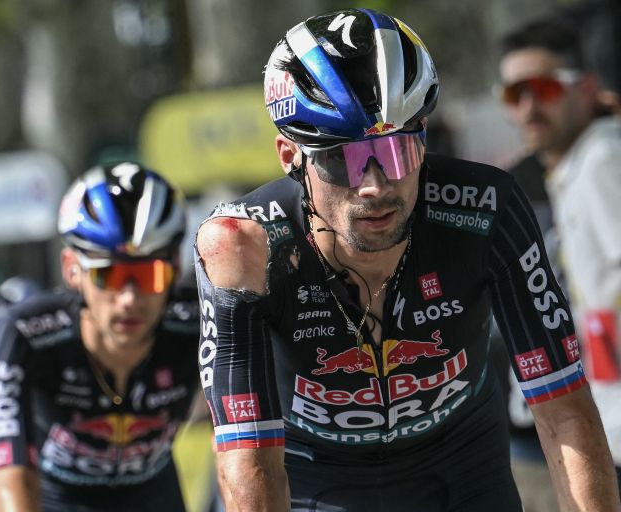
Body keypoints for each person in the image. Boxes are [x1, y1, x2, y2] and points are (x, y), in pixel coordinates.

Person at [194, 8, 620, 511]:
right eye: (344, 159)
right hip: (320, 484)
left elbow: (564, 411)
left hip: (462, 473)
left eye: (399, 152)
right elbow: (249, 462)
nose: (375, 186)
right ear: (291, 157)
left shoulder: (486, 210)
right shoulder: (243, 245)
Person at [0, 162, 201, 512]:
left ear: (174, 266)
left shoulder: (199, 320)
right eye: (108, 276)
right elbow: (10, 476)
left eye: (150, 276)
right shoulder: (23, 332)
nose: (129, 300)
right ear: (71, 269)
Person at [499, 17, 621, 492]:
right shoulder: (575, 165)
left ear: (586, 88)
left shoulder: (603, 158)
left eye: (544, 88)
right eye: (514, 94)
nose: (528, 107)